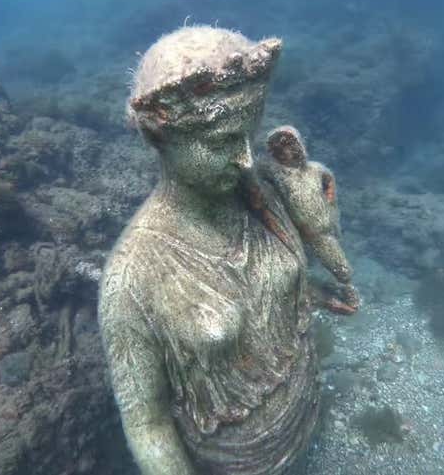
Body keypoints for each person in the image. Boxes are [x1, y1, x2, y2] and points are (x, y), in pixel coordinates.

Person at [98, 25, 355, 475]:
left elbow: (279, 276)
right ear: (161, 139)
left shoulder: (260, 196)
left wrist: (310, 276)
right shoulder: (132, 280)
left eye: (248, 136)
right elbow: (148, 424)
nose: (245, 159)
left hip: (306, 416)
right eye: (220, 143)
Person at [258, 125, 361, 315]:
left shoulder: (314, 169)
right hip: (302, 231)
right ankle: (321, 297)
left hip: (324, 229)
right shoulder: (275, 172)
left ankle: (346, 296)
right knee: (300, 268)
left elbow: (328, 176)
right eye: (277, 148)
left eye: (289, 146)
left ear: (299, 147)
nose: (284, 152)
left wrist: (330, 196)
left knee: (341, 268)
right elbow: (256, 174)